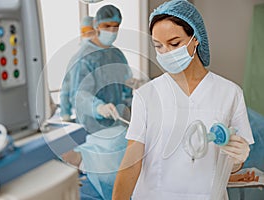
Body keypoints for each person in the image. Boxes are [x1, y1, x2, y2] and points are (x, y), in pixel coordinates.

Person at [112, 0, 254, 199]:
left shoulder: (229, 93)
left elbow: (232, 167)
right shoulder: (147, 95)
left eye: (175, 43)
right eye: (158, 46)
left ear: (195, 38)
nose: (166, 52)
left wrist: (237, 158)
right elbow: (131, 162)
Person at [61, 5, 133, 200]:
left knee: (121, 168)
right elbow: (79, 95)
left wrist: (132, 98)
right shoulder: (83, 57)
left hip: (118, 124)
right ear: (96, 25)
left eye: (115, 26)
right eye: (107, 25)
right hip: (93, 128)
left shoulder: (117, 54)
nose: (111, 31)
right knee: (104, 169)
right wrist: (98, 107)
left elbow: (125, 86)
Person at [59, 16, 95, 121]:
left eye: (91, 32)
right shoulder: (76, 59)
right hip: (85, 119)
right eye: (84, 33)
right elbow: (66, 88)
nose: (88, 36)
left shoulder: (107, 57)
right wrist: (65, 114)